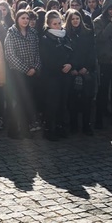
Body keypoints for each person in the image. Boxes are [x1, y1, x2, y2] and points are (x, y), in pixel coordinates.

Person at [4, 9, 42, 138]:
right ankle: (14, 130)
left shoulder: (33, 33)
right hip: (18, 74)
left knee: (29, 101)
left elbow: (38, 53)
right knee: (18, 102)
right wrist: (26, 69)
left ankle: (27, 128)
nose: (25, 20)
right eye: (23, 18)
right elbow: (10, 55)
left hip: (33, 73)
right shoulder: (11, 33)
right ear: (17, 19)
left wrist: (35, 68)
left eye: (27, 18)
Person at [38, 11, 73, 141]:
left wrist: (70, 64)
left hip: (65, 74)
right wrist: (60, 67)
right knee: (52, 103)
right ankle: (49, 129)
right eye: (55, 24)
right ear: (49, 24)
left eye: (59, 23)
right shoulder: (45, 38)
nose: (58, 26)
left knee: (63, 102)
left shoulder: (65, 36)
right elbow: (47, 58)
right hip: (51, 76)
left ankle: (60, 127)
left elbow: (71, 52)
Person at [64, 9, 95, 134]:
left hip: (86, 70)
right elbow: (65, 53)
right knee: (72, 100)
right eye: (73, 19)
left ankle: (86, 125)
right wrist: (72, 68)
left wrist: (86, 67)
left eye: (77, 18)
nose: (75, 21)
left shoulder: (87, 33)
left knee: (87, 99)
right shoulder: (65, 34)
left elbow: (92, 52)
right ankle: (73, 125)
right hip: (71, 71)